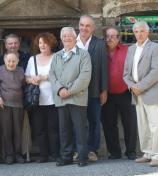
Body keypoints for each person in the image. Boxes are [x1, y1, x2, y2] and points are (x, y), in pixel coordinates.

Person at [49, 27, 92, 167]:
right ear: (61, 38)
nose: (67, 38)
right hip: (61, 98)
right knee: (64, 130)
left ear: (75, 38)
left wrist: (70, 90)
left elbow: (85, 76)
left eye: (70, 35)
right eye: (64, 36)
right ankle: (66, 157)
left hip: (77, 97)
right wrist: (60, 89)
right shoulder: (56, 56)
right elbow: (52, 75)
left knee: (80, 129)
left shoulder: (84, 55)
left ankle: (82, 157)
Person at [123, 21, 158, 167]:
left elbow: (156, 71)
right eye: (136, 31)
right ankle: (148, 152)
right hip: (136, 92)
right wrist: (132, 86)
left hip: (151, 91)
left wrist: (141, 87)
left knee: (155, 125)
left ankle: (157, 154)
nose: (139, 34)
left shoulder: (155, 47)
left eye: (142, 31)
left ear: (147, 32)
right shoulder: (131, 49)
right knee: (143, 124)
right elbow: (126, 73)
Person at [101, 27, 137, 160]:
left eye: (113, 36)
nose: (109, 39)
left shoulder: (127, 50)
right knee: (109, 124)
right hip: (107, 93)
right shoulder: (101, 51)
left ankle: (131, 151)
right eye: (107, 36)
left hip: (125, 92)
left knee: (130, 123)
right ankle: (115, 152)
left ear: (118, 38)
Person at [76, 15, 108, 161]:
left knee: (94, 121)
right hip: (75, 92)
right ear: (79, 26)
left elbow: (103, 67)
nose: (84, 28)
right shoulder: (71, 42)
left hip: (94, 90)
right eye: (82, 25)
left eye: (88, 26)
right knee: (77, 122)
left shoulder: (100, 43)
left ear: (93, 28)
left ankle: (92, 150)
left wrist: (104, 90)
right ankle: (79, 150)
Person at [25, 33, 59, 163]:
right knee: (39, 129)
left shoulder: (57, 57)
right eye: (40, 43)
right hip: (37, 100)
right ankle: (43, 155)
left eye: (45, 42)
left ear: (51, 43)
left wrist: (44, 77)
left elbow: (60, 74)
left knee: (53, 128)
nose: (42, 45)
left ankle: (55, 154)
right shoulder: (32, 59)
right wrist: (32, 80)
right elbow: (26, 77)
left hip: (53, 99)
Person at [0, 52, 25, 164]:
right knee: (6, 130)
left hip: (18, 105)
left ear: (17, 61)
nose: (11, 63)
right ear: (4, 60)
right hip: (4, 105)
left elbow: (24, 86)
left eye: (13, 61)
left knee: (18, 130)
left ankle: (18, 154)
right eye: (9, 61)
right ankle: (9, 155)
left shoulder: (21, 70)